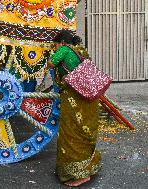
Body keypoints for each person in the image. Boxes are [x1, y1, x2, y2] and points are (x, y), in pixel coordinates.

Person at [48, 30, 101, 187]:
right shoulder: (81, 50)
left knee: (71, 132)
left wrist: (51, 58)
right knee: (84, 130)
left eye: (55, 45)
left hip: (74, 97)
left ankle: (78, 174)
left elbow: (51, 62)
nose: (55, 48)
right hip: (88, 97)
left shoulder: (64, 49)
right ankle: (87, 167)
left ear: (62, 42)